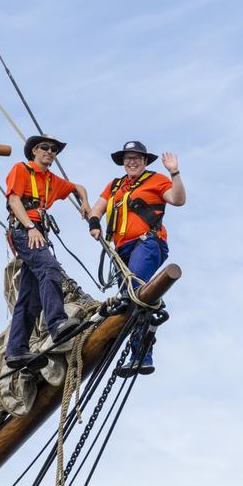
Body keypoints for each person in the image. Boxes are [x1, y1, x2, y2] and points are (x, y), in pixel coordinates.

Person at [88, 140, 186, 377]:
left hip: (147, 243)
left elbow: (177, 199)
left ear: (144, 161)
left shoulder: (156, 180)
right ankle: (137, 349)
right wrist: (94, 223)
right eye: (128, 158)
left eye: (136, 158)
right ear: (123, 162)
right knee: (127, 300)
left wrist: (174, 172)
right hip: (122, 250)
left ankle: (142, 354)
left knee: (134, 293)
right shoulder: (115, 186)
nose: (131, 162)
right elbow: (98, 207)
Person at [4, 134, 91, 369]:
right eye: (45, 147)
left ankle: (16, 350)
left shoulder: (52, 180)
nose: (50, 151)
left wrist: (85, 203)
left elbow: (78, 187)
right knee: (50, 268)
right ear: (34, 150)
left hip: (37, 232)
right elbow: (14, 201)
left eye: (54, 149)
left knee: (29, 297)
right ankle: (57, 323)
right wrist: (31, 227)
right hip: (25, 231)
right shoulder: (20, 169)